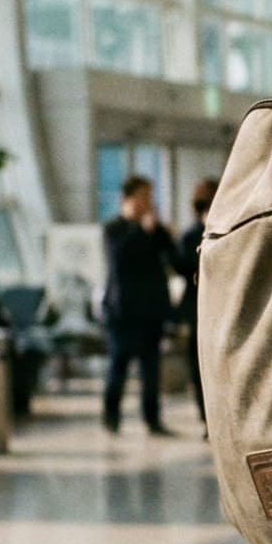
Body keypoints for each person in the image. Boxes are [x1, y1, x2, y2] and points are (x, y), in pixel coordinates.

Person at [99, 175, 180, 437]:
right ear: (128, 198)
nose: (148, 202)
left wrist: (160, 232)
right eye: (143, 196)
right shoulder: (114, 228)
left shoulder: (153, 229)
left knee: (151, 370)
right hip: (121, 313)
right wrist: (141, 230)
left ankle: (152, 419)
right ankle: (111, 416)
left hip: (150, 312)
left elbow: (173, 259)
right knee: (118, 367)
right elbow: (119, 259)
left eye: (150, 196)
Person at [178, 177, 217, 426]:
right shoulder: (191, 236)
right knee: (199, 364)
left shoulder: (228, 231)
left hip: (216, 307)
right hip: (197, 308)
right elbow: (183, 266)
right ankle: (206, 417)